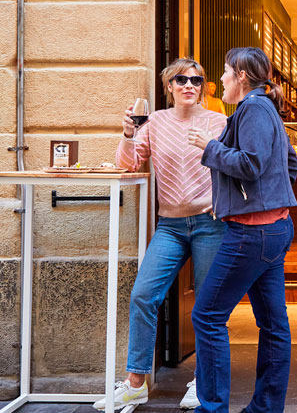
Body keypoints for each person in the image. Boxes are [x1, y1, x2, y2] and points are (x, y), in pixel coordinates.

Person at [94, 58, 227, 411]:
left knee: (208, 306)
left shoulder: (219, 122)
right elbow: (128, 163)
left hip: (209, 223)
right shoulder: (154, 123)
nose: (189, 86)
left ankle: (203, 382)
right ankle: (136, 382)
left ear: (203, 87)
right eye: (180, 80)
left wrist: (223, 203)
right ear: (168, 86)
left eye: (196, 81)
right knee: (143, 296)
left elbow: (232, 165)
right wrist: (127, 134)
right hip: (169, 225)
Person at [187, 46, 297, 413]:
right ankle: (265, 409)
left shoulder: (252, 108)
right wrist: (237, 201)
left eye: (224, 72)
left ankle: (212, 407)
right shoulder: (265, 108)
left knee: (206, 315)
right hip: (273, 229)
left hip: (251, 235)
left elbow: (250, 165)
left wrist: (210, 147)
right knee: (273, 325)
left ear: (242, 77)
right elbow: (288, 165)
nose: (219, 79)